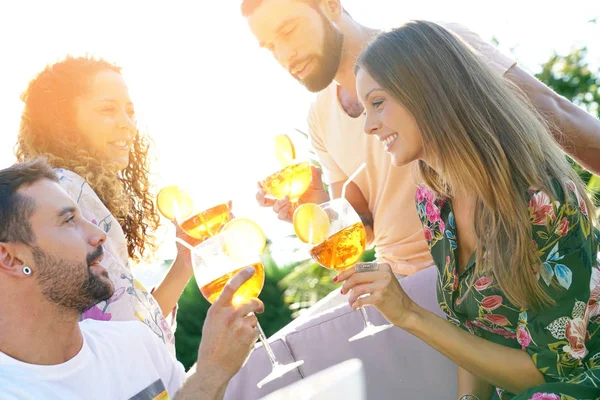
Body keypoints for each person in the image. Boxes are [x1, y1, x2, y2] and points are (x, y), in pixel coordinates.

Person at [338, 21, 600, 400]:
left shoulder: (543, 199)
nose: (368, 126)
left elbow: (553, 375)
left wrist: (409, 314)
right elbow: (471, 331)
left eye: (377, 102)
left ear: (429, 90)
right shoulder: (432, 201)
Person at [245, 0, 600, 277]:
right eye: (269, 46)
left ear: (330, 5)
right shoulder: (319, 116)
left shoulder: (434, 48)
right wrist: (315, 205)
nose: (283, 55)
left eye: (288, 30)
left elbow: (557, 114)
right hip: (399, 281)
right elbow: (363, 227)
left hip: (482, 269)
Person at [0, 159, 263, 400]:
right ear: (10, 258)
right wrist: (211, 372)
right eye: (69, 220)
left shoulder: (134, 342)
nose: (98, 235)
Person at [14, 56, 198, 355]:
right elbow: (127, 333)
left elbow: (120, 323)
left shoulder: (56, 193)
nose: (127, 124)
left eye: (130, 111)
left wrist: (184, 262)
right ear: (63, 121)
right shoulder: (68, 189)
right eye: (107, 109)